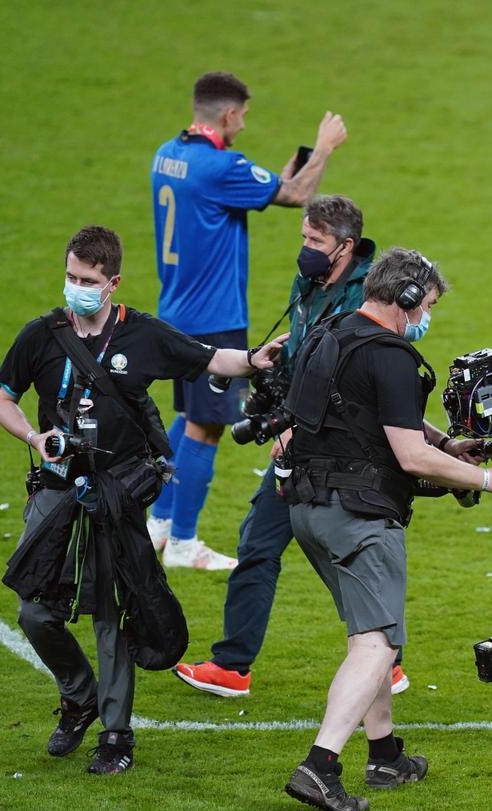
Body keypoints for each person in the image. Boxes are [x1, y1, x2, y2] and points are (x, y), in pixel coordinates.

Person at [0, 226, 286, 774]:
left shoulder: (143, 335)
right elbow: (1, 398)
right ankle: (78, 694)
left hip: (117, 495)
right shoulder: (41, 335)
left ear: (113, 283)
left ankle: (116, 736)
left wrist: (255, 357)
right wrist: (34, 437)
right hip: (56, 488)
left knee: (109, 613)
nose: (77, 288)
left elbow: (208, 358)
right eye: (71, 277)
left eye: (89, 280)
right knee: (34, 611)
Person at [280, 248, 492, 811]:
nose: (428, 316)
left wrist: (447, 446)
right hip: (359, 515)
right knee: (377, 644)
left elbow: (364, 410)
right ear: (409, 298)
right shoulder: (394, 357)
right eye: (430, 304)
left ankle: (385, 755)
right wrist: (487, 478)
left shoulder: (331, 333)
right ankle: (320, 766)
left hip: (307, 508)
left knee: (365, 636)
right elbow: (409, 457)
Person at [172, 195, 409, 698]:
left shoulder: (366, 297)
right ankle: (233, 666)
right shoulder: (309, 282)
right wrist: (271, 364)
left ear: (345, 246)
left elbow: (344, 376)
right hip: (300, 438)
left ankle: (383, 659)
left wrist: (292, 428)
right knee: (259, 546)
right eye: (304, 237)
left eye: (315, 241)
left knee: (343, 554)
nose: (305, 248)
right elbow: (307, 356)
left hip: (337, 449)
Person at [147, 70, 348, 569]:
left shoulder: (168, 155)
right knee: (208, 426)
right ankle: (184, 543)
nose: (243, 126)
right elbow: (298, 196)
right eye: (244, 117)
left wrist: (290, 173)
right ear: (230, 113)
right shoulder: (220, 167)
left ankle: (159, 522)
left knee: (190, 414)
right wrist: (324, 149)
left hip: (175, 308)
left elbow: (273, 188)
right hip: (213, 316)